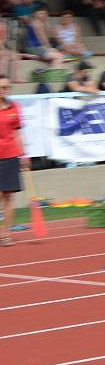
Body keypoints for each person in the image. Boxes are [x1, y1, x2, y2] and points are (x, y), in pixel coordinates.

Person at [0, 75, 28, 247]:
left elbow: (17, 133)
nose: (4, 90)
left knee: (8, 196)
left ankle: (5, 233)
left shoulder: (15, 107)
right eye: (1, 87)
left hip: (11, 155)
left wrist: (23, 155)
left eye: (6, 87)